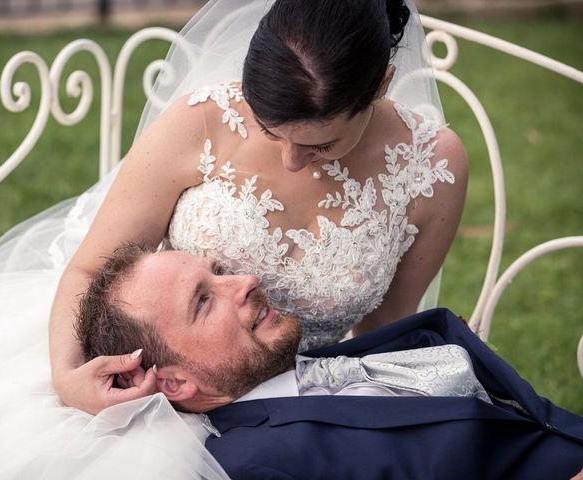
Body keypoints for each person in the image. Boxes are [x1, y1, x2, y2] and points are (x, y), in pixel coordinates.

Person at [50, 0, 469, 415]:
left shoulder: (431, 168)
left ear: (380, 85)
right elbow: (91, 270)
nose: (292, 160)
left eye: (321, 144)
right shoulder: (203, 122)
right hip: (173, 394)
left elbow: (384, 332)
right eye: (271, 131)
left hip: (307, 401)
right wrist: (68, 378)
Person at [76, 244, 583, 479]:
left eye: (220, 271)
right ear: (175, 381)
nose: (244, 281)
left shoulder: (318, 369)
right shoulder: (260, 465)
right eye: (204, 301)